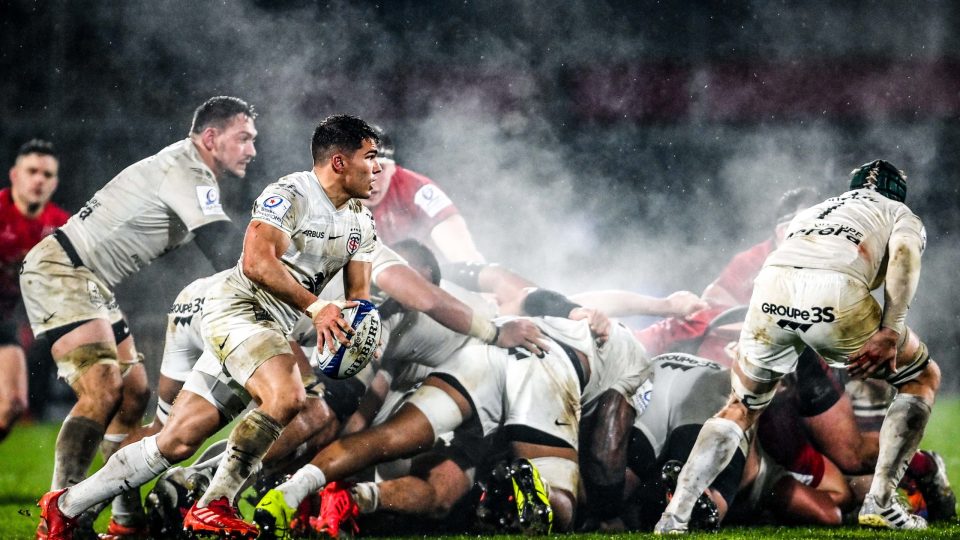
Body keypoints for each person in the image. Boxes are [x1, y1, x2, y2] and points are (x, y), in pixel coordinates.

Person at [656, 160, 939, 532]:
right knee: (921, 376)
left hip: (771, 291)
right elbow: (904, 255)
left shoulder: (818, 210)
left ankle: (674, 516)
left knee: (742, 407)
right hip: (834, 293)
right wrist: (891, 329)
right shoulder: (899, 212)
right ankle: (882, 502)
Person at [23, 96, 254, 539]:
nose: (251, 150)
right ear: (211, 137)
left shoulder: (184, 167)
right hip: (63, 269)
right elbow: (222, 247)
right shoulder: (189, 170)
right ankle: (60, 516)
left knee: (134, 395)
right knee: (104, 388)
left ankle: (126, 521)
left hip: (89, 280)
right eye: (242, 138)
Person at [0, 139, 69, 441]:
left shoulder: (61, 226)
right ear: (15, 175)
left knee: (13, 405)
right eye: (32, 171)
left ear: (55, 182)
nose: (39, 179)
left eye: (47, 174)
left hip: (4, 320)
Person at [363, 128, 485, 263]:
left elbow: (464, 255)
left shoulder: (416, 188)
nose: (371, 180)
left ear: (393, 168)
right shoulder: (335, 198)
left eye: (380, 168)